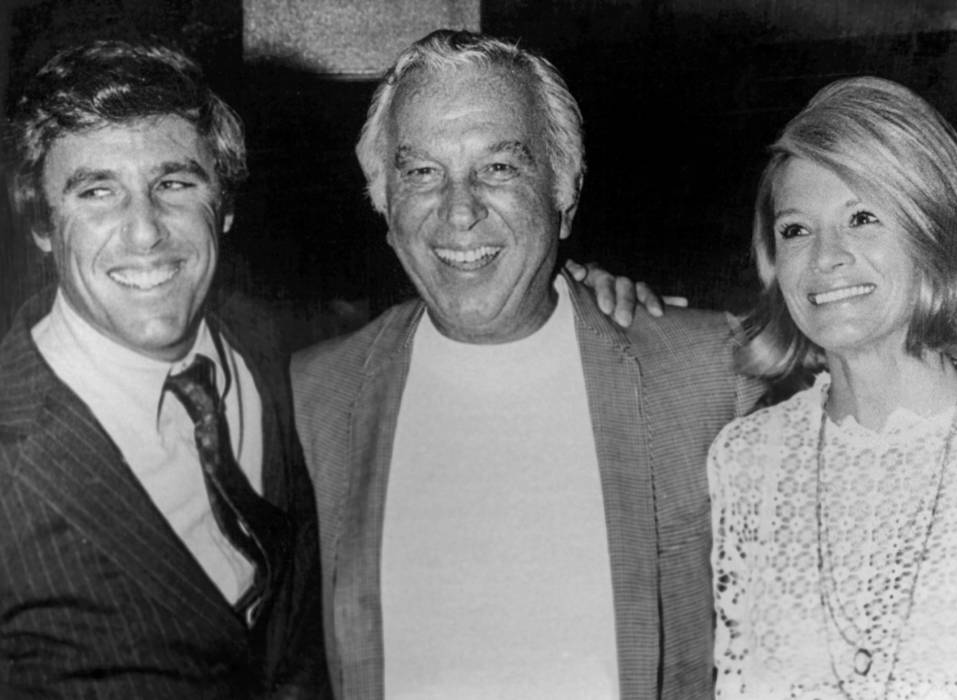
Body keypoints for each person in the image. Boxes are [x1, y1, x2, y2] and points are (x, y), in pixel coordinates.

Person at [292, 29, 762, 700]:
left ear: (564, 189)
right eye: (421, 172)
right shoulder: (318, 391)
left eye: (500, 167)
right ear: (383, 201)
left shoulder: (710, 370)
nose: (459, 211)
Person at [0, 40, 328, 698]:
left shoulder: (292, 354)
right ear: (42, 223)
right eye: (97, 191)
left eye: (174, 184)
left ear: (225, 206)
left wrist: (578, 291)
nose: (145, 231)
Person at [708, 76, 957, 699]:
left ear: (935, 232)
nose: (826, 257)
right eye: (795, 229)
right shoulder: (746, 461)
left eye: (862, 217)